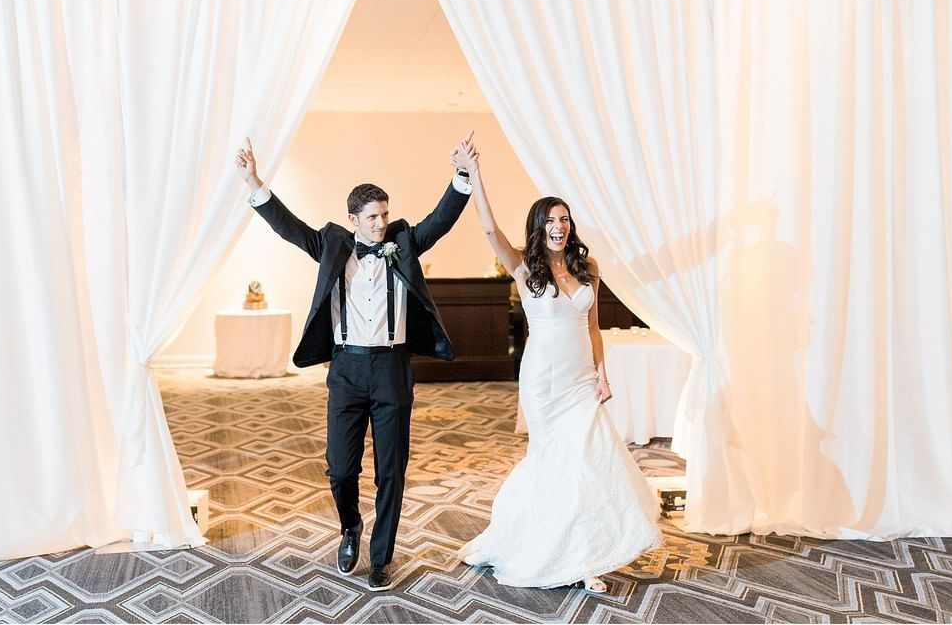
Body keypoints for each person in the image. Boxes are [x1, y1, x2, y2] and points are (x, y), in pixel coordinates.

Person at [235, 137, 472, 591]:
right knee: (341, 469)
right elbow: (289, 227)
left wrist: (461, 175)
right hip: (346, 370)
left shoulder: (404, 242)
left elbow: (440, 220)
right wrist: (254, 183)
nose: (381, 224)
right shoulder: (331, 244)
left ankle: (381, 557)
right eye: (372, 217)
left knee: (391, 471)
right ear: (353, 220)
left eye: (384, 215)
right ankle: (350, 527)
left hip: (392, 369)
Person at [450, 140, 662, 592]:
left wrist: (603, 374)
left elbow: (593, 328)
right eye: (550, 220)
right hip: (544, 384)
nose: (558, 226)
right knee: (556, 464)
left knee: (589, 462)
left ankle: (586, 555)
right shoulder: (525, 269)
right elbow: (489, 229)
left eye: (564, 219)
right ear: (538, 228)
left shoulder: (588, 268)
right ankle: (542, 544)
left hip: (581, 381)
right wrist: (473, 174)